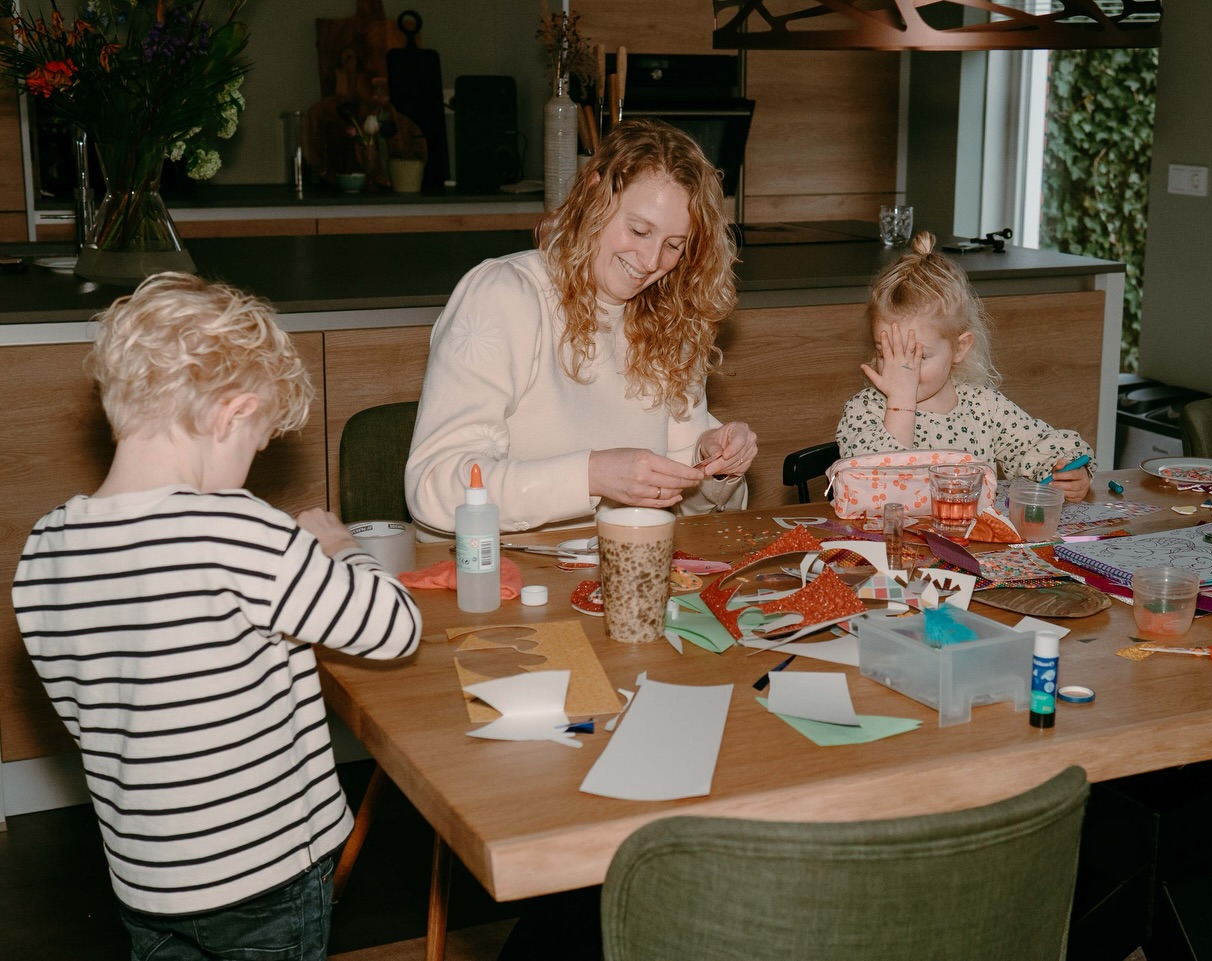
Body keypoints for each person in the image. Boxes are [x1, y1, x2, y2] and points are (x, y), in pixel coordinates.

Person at [11, 273, 422, 961]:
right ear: (232, 414)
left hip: (146, 879)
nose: (249, 469)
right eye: (254, 444)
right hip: (266, 873)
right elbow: (394, 623)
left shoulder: (44, 549)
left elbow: (94, 716)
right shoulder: (235, 528)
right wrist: (343, 546)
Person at [406, 119, 758, 534]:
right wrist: (590, 475)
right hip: (500, 576)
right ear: (595, 192)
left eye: (673, 246)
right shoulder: (506, 294)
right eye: (639, 230)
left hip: (618, 568)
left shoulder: (669, 316)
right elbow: (434, 488)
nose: (649, 261)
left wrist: (713, 463)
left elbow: (691, 511)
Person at [835, 231, 1094, 501]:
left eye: (919, 356)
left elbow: (1042, 446)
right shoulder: (865, 411)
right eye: (886, 352)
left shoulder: (984, 408)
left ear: (959, 348)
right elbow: (873, 485)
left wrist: (1070, 473)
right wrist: (900, 402)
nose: (902, 371)